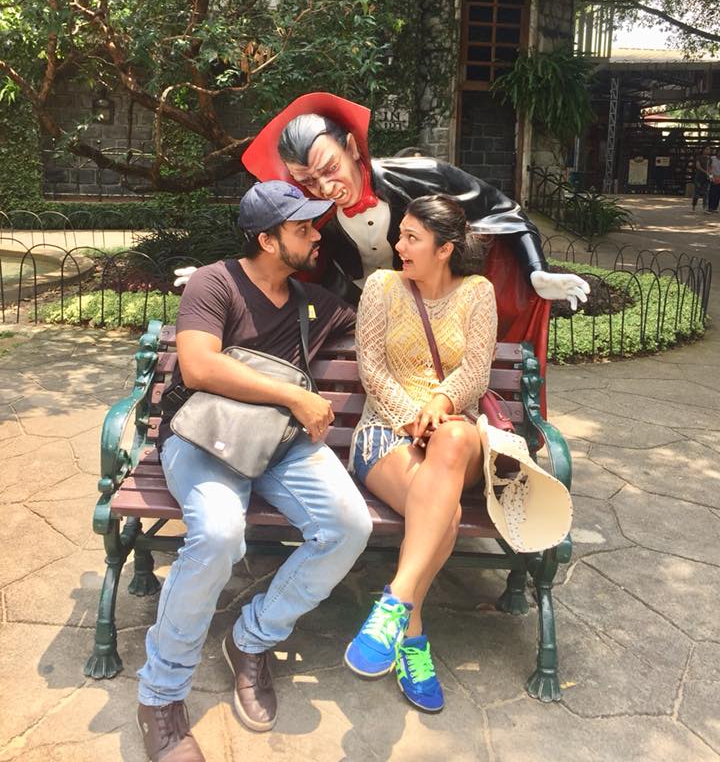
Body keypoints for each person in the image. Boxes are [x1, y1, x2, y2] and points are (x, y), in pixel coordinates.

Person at [137, 181, 372, 762]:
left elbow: (383, 313)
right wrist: (294, 396)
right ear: (267, 240)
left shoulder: (314, 301)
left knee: (348, 527)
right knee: (219, 534)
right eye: (302, 228)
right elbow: (198, 366)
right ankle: (160, 696)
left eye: (315, 226)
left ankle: (252, 637)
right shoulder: (215, 283)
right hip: (203, 439)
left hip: (279, 444)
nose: (316, 236)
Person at [176, 94, 590, 315]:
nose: (325, 188)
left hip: (434, 313)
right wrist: (223, 279)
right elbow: (274, 250)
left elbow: (504, 212)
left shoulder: (424, 176)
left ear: (352, 147)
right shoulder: (309, 210)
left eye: (330, 168)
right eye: (308, 181)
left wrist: (536, 271)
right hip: (353, 316)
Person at [343, 194, 496, 713]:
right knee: (443, 514)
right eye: (400, 235)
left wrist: (440, 405)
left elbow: (476, 372)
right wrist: (411, 416)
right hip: (386, 432)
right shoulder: (382, 288)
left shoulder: (478, 293)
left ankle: (394, 599)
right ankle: (410, 632)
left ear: (445, 249)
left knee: (450, 439)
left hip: (455, 434)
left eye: (412, 238)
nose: (398, 246)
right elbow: (371, 368)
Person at [691, 144, 711, 211]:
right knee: (697, 192)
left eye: (709, 149)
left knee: (706, 193)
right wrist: (705, 172)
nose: (708, 150)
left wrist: (710, 175)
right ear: (703, 150)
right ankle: (694, 205)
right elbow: (698, 166)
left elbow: (710, 168)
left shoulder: (709, 158)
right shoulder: (699, 157)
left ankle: (704, 207)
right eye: (706, 149)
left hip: (706, 178)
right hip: (699, 177)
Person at [708, 146, 720, 213]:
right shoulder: (712, 158)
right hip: (712, 176)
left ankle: (714, 208)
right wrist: (711, 177)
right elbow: (709, 168)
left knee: (718, 194)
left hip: (719, 177)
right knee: (712, 193)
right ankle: (710, 207)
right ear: (717, 152)